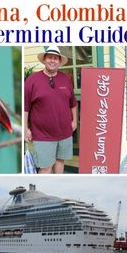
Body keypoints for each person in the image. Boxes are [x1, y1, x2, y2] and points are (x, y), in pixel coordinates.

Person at [24, 45, 77, 174]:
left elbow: (73, 103)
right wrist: (25, 129)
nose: (52, 61)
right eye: (50, 58)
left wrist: (74, 121)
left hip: (64, 132)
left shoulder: (66, 79)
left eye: (56, 58)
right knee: (46, 167)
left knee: (60, 161)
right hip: (43, 135)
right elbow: (25, 108)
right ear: (44, 60)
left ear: (59, 62)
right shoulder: (32, 80)